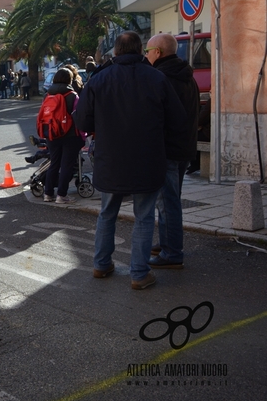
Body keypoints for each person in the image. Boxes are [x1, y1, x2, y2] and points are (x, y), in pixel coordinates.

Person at [74, 31, 186, 290]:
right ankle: (139, 273)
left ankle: (101, 265)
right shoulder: (157, 79)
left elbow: (82, 120)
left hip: (110, 159)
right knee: (144, 216)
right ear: (140, 51)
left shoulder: (98, 80)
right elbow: (178, 120)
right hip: (148, 160)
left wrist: (101, 127)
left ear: (115, 52)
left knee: (107, 213)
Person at [145, 33, 200, 269]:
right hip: (185, 147)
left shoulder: (159, 77)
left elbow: (155, 117)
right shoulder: (188, 76)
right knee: (170, 201)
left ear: (158, 52)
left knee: (167, 204)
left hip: (167, 149)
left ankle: (172, 252)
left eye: (147, 51)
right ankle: (167, 243)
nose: (146, 56)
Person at [41, 69, 84, 204]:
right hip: (70, 134)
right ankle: (61, 195)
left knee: (54, 162)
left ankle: (48, 194)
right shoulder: (72, 95)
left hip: (52, 133)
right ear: (69, 80)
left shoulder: (47, 95)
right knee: (67, 165)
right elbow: (78, 115)